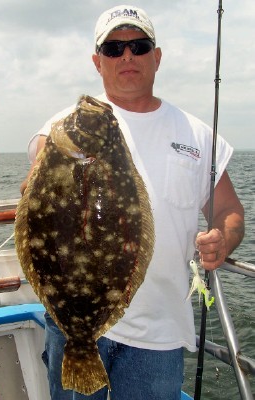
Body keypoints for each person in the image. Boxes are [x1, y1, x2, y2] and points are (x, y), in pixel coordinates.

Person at [20, 5, 244, 400]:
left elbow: (229, 212)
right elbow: (38, 175)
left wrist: (223, 240)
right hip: (70, 322)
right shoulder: (62, 128)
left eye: (139, 46)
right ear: (97, 61)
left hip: (159, 334)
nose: (127, 56)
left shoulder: (197, 135)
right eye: (113, 48)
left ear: (156, 57)